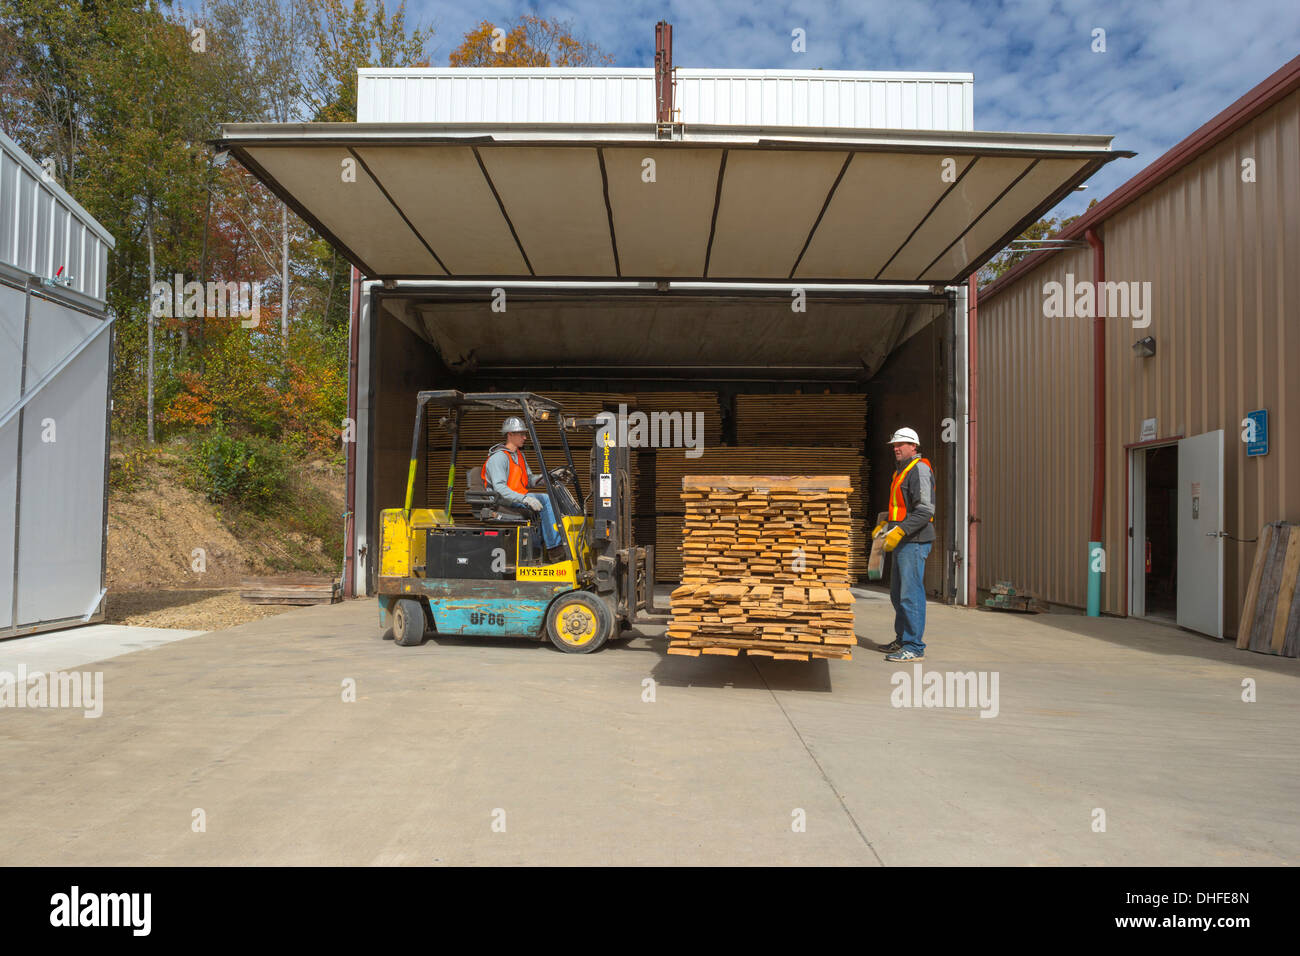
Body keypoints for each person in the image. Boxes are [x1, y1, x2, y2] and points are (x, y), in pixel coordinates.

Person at [873, 427, 935, 662]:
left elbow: (925, 510)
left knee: (911, 595)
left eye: (901, 444)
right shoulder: (900, 471)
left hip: (915, 541)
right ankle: (902, 639)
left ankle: (914, 646)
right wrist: (886, 525)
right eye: (894, 445)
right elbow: (901, 508)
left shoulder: (919, 469)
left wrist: (900, 530)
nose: (896, 448)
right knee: (898, 594)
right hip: (902, 539)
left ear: (913, 446)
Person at [481, 417, 566, 561]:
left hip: (516, 496)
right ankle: (555, 550)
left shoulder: (519, 455)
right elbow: (500, 488)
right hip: (502, 499)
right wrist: (525, 499)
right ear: (510, 434)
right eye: (521, 434)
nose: (525, 437)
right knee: (545, 499)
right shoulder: (498, 458)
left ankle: (540, 549)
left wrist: (548, 477)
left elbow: (529, 480)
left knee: (549, 498)